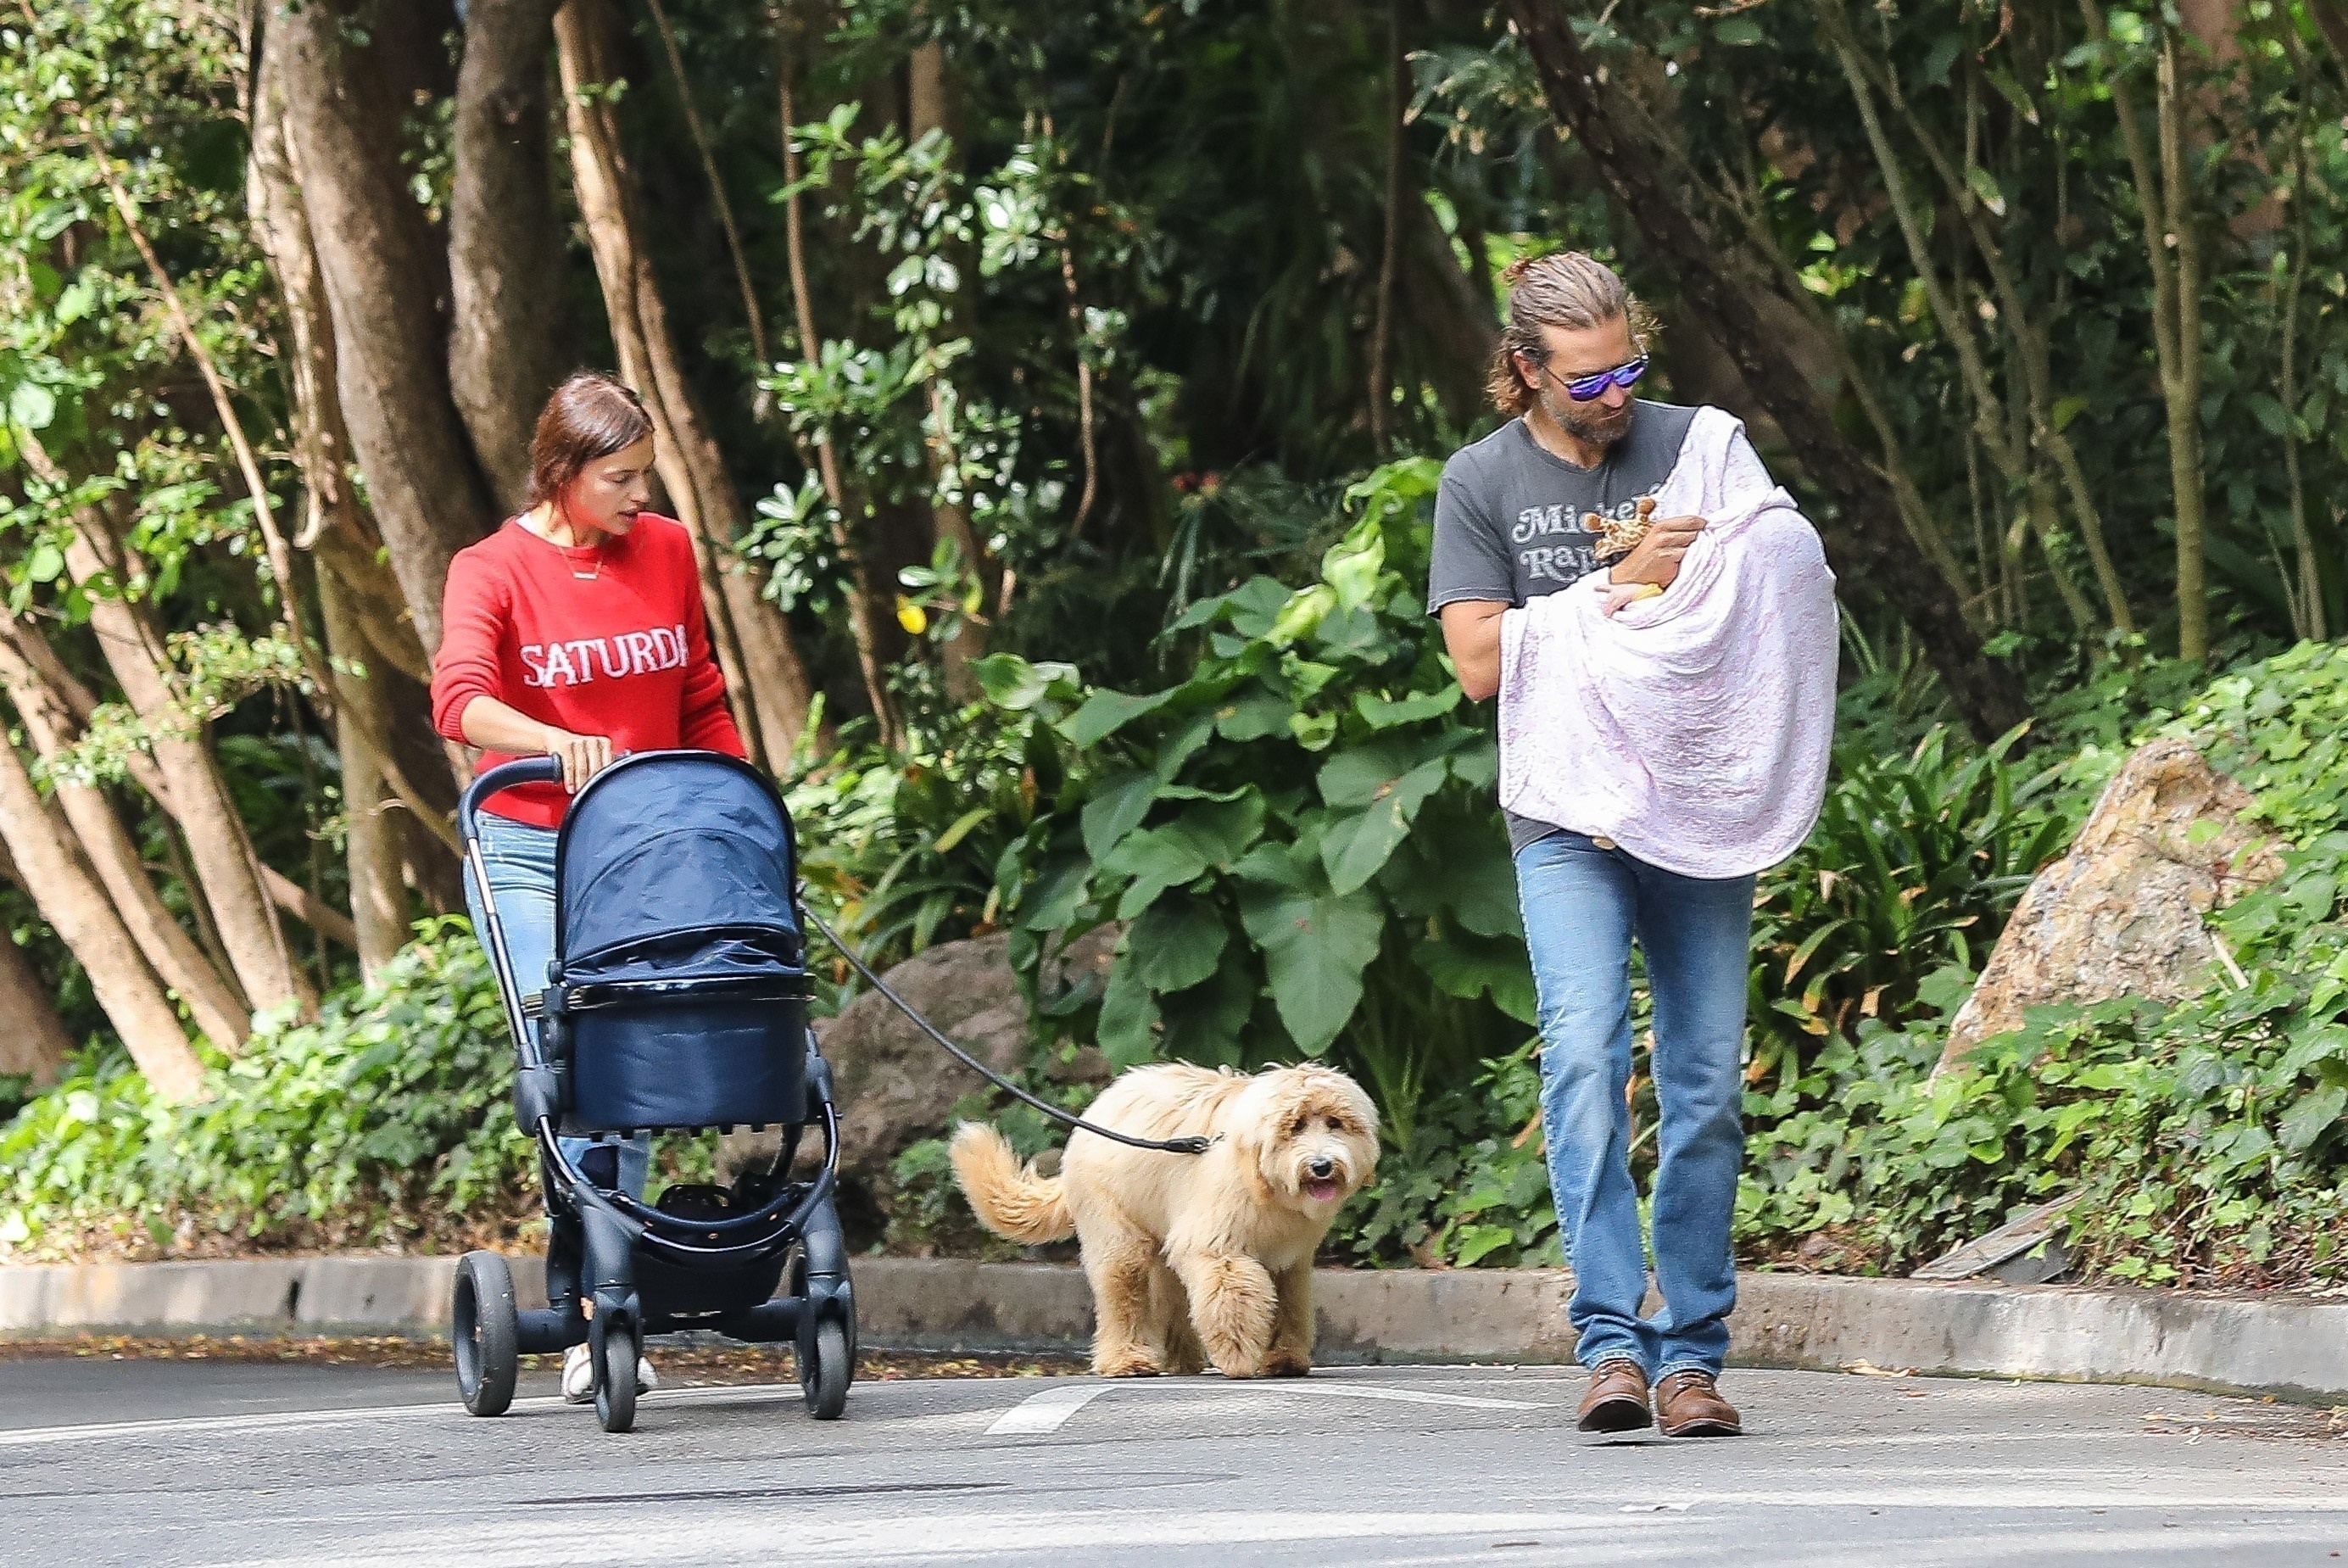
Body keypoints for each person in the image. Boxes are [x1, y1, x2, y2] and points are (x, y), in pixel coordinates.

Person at [1429, 253, 1837, 1438]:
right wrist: (1621, 578)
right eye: (1588, 379)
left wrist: (1708, 578)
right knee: (1585, 1054)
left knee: (1706, 1081)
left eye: (1629, 368)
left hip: (1699, 807)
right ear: (1526, 372)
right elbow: (1477, 665)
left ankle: (1691, 1356)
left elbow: (1784, 572)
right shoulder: (1480, 482)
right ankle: (1609, 1340)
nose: (1615, 396)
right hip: (1566, 812)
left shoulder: (1703, 443)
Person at [431, 370, 748, 1403]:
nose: (639, 497)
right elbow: (459, 700)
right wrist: (556, 743)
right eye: (619, 478)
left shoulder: (664, 550)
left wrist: (739, 815)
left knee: (639, 1053)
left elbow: (699, 695)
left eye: (645, 476)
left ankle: (604, 1293)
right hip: (529, 847)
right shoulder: (490, 569)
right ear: (561, 473)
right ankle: (586, 1307)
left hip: (650, 850)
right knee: (571, 1046)